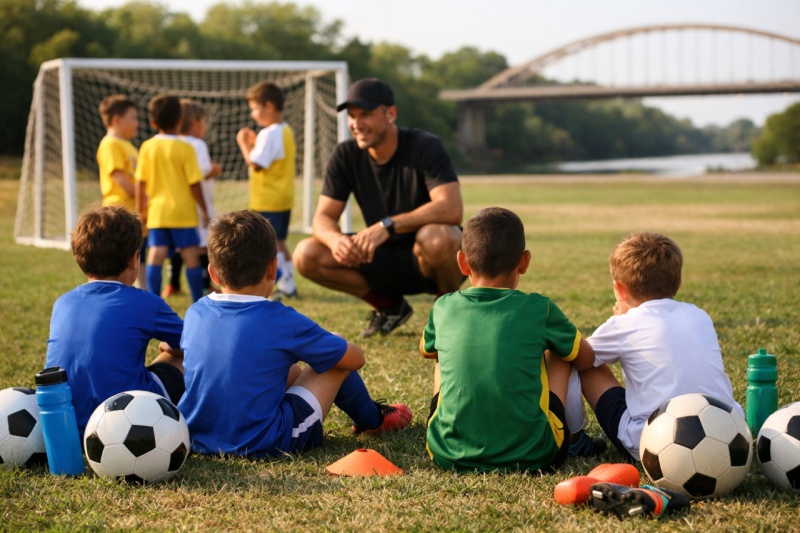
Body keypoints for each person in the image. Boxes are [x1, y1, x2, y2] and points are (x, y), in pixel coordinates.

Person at [177, 211, 412, 458]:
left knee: (292, 372)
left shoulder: (195, 312)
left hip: (197, 437)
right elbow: (355, 359)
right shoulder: (280, 319)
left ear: (213, 273)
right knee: (336, 351)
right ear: (273, 268)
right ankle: (373, 421)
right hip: (265, 441)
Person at [420, 207, 603, 474]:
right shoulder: (540, 309)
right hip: (537, 454)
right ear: (524, 261)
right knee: (561, 352)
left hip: (446, 452)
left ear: (462, 263)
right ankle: (575, 440)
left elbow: (429, 352)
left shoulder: (443, 307)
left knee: (439, 355)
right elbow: (586, 359)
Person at [293, 78, 464, 338]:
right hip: (378, 256)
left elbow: (451, 208)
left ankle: (447, 315)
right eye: (351, 116)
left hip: (427, 258)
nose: (356, 124)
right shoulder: (345, 154)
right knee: (306, 254)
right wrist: (335, 239)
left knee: (439, 236)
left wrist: (388, 225)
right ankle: (389, 306)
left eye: (366, 115)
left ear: (391, 114)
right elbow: (323, 218)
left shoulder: (425, 145)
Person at [572, 232, 744, 462]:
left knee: (586, 361)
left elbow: (582, 357)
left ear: (619, 288)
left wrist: (621, 320)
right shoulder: (699, 315)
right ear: (679, 283)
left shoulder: (624, 324)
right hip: (729, 431)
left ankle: (574, 439)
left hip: (654, 443)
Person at [45, 205, 185, 435]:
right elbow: (195, 342)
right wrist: (171, 348)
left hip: (69, 422)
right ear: (133, 259)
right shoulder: (145, 302)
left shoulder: (62, 302)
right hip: (127, 420)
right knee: (175, 356)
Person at [135, 94, 208, 303]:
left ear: (153, 122)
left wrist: (141, 210)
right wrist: (204, 209)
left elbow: (141, 182)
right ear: (180, 121)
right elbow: (195, 184)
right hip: (183, 212)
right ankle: (197, 303)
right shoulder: (186, 148)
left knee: (156, 254)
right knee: (191, 256)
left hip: (157, 212)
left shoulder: (148, 147)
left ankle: (153, 303)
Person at [236, 81, 298, 301]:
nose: (253, 114)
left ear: (269, 106)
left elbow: (257, 164)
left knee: (269, 244)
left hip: (268, 199)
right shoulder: (285, 130)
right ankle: (288, 285)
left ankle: (281, 281)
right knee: (279, 241)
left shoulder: (269, 133)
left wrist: (244, 144)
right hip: (282, 196)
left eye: (254, 108)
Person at [163, 99, 223, 298]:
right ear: (194, 123)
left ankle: (173, 284)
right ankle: (207, 285)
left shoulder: (174, 143)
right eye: (204, 122)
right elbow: (203, 171)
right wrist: (214, 169)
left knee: (182, 245)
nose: (205, 128)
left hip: (179, 202)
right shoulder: (197, 144)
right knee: (204, 245)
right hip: (200, 202)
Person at [96, 95, 147, 290]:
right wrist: (143, 196)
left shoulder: (127, 144)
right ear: (117, 119)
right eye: (133, 118)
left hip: (134, 210)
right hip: (118, 210)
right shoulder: (110, 144)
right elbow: (118, 177)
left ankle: (144, 292)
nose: (137, 123)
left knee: (138, 254)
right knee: (118, 256)